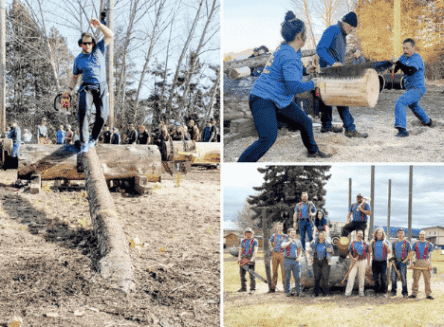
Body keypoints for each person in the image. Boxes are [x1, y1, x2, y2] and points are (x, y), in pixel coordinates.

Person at [238, 11, 331, 162]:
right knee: (268, 137)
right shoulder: (289, 54)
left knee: (305, 122)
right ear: (299, 37)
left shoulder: (286, 48)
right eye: (305, 34)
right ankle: (241, 165)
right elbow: (293, 87)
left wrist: (305, 70)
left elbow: (287, 73)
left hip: (279, 99)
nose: (306, 36)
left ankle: (313, 151)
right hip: (262, 99)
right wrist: (314, 83)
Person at [62, 18, 114, 153]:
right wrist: (68, 89)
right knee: (84, 114)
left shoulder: (99, 49)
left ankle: (93, 138)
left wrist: (100, 26)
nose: (87, 46)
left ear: (93, 43)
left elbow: (110, 35)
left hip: (101, 88)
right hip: (86, 88)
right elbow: (74, 77)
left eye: (90, 43)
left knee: (103, 115)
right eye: (85, 44)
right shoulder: (78, 59)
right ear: (81, 45)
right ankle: (84, 142)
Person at [316, 12, 368, 138]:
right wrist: (333, 63)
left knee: (329, 99)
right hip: (329, 72)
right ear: (344, 22)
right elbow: (320, 49)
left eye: (352, 29)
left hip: (334, 72)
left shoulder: (342, 36)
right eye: (350, 27)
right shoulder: (333, 30)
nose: (350, 30)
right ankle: (349, 129)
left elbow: (337, 57)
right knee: (341, 99)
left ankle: (326, 126)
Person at [389, 38, 432, 137]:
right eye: (403, 48)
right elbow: (394, 71)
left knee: (400, 102)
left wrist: (398, 63)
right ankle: (427, 122)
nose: (405, 50)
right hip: (410, 88)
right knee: (413, 105)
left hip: (418, 89)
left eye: (407, 48)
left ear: (414, 47)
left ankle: (402, 130)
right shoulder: (403, 57)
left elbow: (410, 71)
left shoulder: (417, 58)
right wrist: (393, 64)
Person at [344, 230, 370, 297]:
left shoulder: (365, 244)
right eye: (359, 234)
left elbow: (368, 253)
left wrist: (368, 263)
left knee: (361, 277)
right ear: (356, 235)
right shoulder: (352, 243)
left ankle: (361, 292)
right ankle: (348, 293)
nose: (360, 236)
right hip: (354, 262)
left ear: (363, 235)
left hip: (362, 261)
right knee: (351, 276)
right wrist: (352, 258)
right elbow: (349, 253)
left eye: (361, 234)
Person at [409, 231, 434, 299]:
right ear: (419, 236)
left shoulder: (430, 244)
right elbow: (412, 254)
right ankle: (414, 293)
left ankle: (428, 294)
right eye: (421, 235)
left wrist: (430, 265)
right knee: (415, 279)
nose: (422, 236)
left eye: (423, 235)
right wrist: (411, 263)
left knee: (427, 279)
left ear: (426, 235)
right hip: (417, 262)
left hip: (426, 262)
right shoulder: (415, 244)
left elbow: (431, 256)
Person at [308, 231, 333, 296]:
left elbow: (332, 253)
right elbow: (309, 250)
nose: (321, 237)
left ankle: (325, 293)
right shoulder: (314, 243)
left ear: (324, 236)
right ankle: (316, 293)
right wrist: (309, 251)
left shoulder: (327, 243)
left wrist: (330, 251)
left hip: (325, 261)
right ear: (318, 236)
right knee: (316, 277)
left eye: (322, 235)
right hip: (316, 261)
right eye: (320, 235)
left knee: (325, 277)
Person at [390, 228, 412, 298]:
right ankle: (393, 291)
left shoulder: (407, 243)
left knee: (403, 277)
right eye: (399, 233)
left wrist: (406, 260)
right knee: (393, 277)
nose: (400, 234)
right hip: (395, 261)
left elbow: (410, 253)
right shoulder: (394, 243)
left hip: (403, 262)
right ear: (397, 234)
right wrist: (392, 258)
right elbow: (392, 252)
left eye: (401, 233)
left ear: (403, 234)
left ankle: (405, 292)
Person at [281, 228, 303, 297]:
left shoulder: (297, 241)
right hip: (287, 260)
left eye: (294, 232)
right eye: (291, 232)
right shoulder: (286, 239)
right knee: (287, 277)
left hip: (296, 261)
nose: (293, 234)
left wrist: (299, 257)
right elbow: (282, 246)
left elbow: (300, 250)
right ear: (288, 233)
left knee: (297, 277)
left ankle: (298, 291)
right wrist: (289, 242)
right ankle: (288, 291)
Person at [370, 227, 391, 297]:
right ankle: (377, 291)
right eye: (378, 234)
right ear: (375, 234)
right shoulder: (373, 242)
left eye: (380, 234)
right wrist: (370, 243)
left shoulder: (386, 241)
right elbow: (369, 251)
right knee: (375, 277)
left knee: (383, 277)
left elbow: (389, 251)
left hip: (383, 262)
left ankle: (383, 292)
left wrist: (386, 245)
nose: (379, 235)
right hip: (375, 262)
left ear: (382, 235)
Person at [268, 222, 287, 293]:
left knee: (284, 271)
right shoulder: (274, 235)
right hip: (275, 253)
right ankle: (273, 288)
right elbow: (270, 241)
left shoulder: (285, 236)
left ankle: (285, 287)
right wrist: (271, 247)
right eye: (278, 227)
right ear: (277, 228)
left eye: (281, 227)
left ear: (282, 227)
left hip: (282, 254)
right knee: (274, 271)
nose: (280, 228)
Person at [237, 227, 258, 293]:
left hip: (250, 258)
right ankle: (243, 288)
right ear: (245, 233)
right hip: (243, 258)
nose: (248, 234)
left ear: (251, 233)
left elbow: (255, 250)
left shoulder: (254, 241)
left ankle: (252, 289)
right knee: (242, 274)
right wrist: (239, 257)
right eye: (247, 232)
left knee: (251, 274)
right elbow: (240, 249)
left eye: (249, 232)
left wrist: (252, 258)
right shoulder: (242, 241)